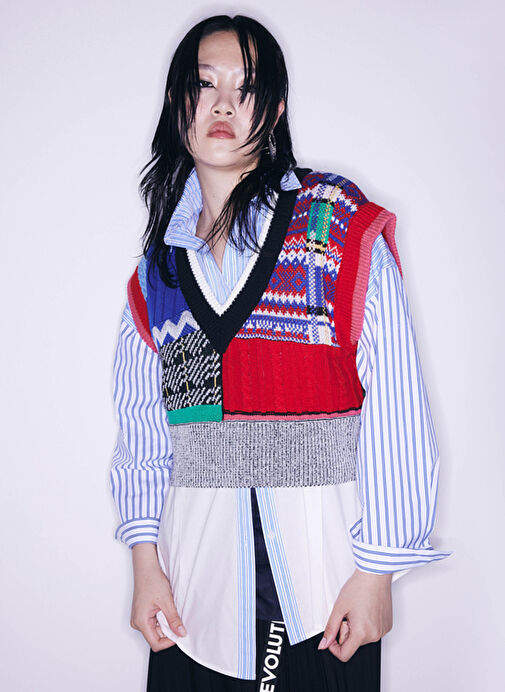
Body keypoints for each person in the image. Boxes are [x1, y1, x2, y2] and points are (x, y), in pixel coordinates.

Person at [110, 13, 452, 691]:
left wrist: (377, 572)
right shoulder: (161, 277)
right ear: (179, 102)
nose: (223, 104)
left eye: (246, 88)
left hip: (324, 596)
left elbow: (396, 404)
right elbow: (148, 437)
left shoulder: (334, 227)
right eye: (203, 85)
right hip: (194, 597)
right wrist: (146, 564)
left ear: (274, 109)